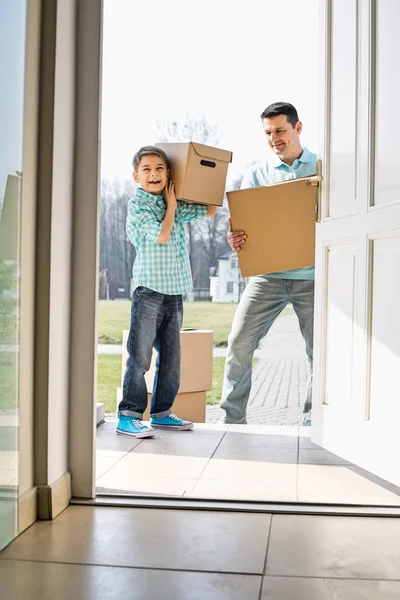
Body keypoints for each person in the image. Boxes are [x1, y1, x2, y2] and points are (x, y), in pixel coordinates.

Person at [220, 102, 316, 426]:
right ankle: (232, 421)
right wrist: (234, 239)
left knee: (320, 353)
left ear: (297, 128)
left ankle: (312, 423)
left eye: (280, 131)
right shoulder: (257, 174)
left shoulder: (320, 166)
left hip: (312, 277)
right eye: (268, 133)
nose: (274, 138)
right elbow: (242, 225)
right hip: (267, 278)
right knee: (238, 344)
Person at [117, 145, 216, 438]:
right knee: (140, 356)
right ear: (136, 176)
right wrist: (172, 207)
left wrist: (203, 177)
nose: (154, 174)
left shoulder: (171, 199)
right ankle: (128, 415)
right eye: (146, 170)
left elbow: (210, 210)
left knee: (171, 358)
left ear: (169, 173)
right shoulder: (139, 205)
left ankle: (161, 413)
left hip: (173, 290)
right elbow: (162, 235)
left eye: (160, 169)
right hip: (148, 290)